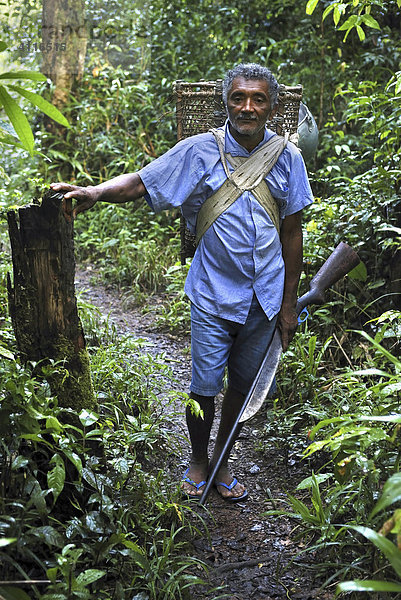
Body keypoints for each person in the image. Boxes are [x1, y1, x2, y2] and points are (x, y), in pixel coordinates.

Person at [51, 63, 313, 502]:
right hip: (212, 294)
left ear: (273, 105)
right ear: (225, 102)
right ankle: (197, 457)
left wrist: (288, 304)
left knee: (242, 388)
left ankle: (224, 462)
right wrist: (95, 192)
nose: (247, 107)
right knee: (204, 387)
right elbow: (141, 183)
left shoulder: (289, 157)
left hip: (265, 299)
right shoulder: (197, 151)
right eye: (238, 98)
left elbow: (292, 231)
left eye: (258, 99)